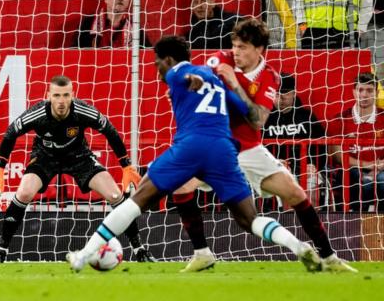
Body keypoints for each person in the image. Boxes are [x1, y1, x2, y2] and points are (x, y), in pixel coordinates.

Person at [67, 35, 320, 272]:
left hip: (191, 146)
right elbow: (245, 110)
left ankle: (83, 255)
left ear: (168, 60)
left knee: (139, 198)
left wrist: (192, 80)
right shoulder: (217, 81)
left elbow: (186, 76)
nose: (157, 71)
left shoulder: (178, 73)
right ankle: (297, 246)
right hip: (223, 150)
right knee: (248, 219)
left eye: (158, 64)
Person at [171, 18, 356, 273]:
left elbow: (258, 120)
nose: (235, 52)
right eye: (234, 45)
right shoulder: (218, 60)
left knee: (295, 193)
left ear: (259, 49)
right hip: (215, 146)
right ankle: (202, 253)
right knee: (180, 185)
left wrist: (234, 84)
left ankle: (329, 257)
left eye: (243, 47)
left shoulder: (269, 77)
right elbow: (197, 79)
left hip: (248, 148)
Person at [0, 75, 155, 263]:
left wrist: (127, 166)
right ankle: (1, 252)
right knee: (24, 193)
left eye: (66, 95)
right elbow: (11, 133)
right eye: (57, 95)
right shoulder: (38, 113)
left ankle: (139, 249)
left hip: (79, 156)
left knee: (115, 195)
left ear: (72, 96)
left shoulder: (82, 111)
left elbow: (109, 130)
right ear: (48, 96)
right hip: (45, 156)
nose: (61, 101)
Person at [263, 73, 329, 208]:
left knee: (312, 188)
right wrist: (273, 162)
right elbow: (255, 147)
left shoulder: (306, 116)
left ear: (294, 93)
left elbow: (323, 145)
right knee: (286, 185)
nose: (280, 97)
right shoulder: (264, 117)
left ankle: (310, 225)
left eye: (285, 93)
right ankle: (290, 224)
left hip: (306, 167)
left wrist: (315, 165)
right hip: (277, 168)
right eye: (277, 93)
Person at [327, 73, 384, 212]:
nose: (364, 95)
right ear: (354, 92)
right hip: (351, 171)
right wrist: (368, 165)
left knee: (382, 180)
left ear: (376, 92)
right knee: (358, 179)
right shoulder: (339, 120)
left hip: (381, 169)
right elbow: (336, 154)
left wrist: (380, 166)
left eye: (369, 90)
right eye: (360, 90)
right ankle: (357, 216)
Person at [74, 0, 152, 48]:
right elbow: (74, 51)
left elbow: (149, 55)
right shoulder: (87, 24)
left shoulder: (136, 30)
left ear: (128, 2)